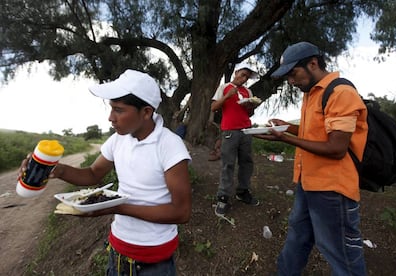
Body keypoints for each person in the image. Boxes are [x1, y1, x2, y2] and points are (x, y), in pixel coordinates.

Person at [18, 69, 192, 276]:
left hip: (153, 259)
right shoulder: (119, 139)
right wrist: (57, 170)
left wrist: (116, 208)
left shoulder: (169, 145)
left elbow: (181, 212)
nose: (110, 117)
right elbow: (92, 174)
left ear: (146, 112)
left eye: (118, 110)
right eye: (111, 108)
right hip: (118, 247)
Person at [256, 42, 368, 275]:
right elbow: (314, 134)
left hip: (333, 190)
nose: (291, 82)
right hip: (308, 184)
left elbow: (336, 147)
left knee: (342, 255)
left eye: (293, 74)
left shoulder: (341, 93)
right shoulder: (311, 93)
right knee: (297, 238)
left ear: (313, 64)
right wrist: (288, 127)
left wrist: (285, 138)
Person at [211, 62, 261, 217]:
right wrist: (227, 96)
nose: (244, 79)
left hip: (246, 129)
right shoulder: (225, 87)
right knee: (228, 164)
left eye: (247, 77)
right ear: (236, 72)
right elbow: (213, 108)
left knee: (246, 162)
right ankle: (223, 197)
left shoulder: (247, 91)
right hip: (229, 131)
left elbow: (249, 113)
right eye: (243, 74)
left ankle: (242, 191)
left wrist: (250, 106)